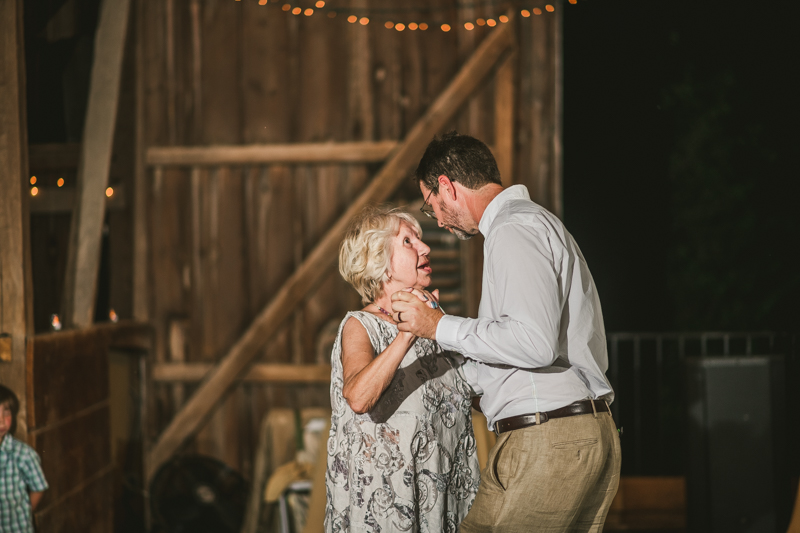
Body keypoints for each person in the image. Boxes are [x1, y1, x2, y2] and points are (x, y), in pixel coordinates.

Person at [391, 132, 621, 532]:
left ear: (447, 185)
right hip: (545, 433)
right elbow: (511, 354)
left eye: (433, 208)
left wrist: (438, 325)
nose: (440, 222)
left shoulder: (514, 228)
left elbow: (534, 344)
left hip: (550, 436)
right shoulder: (528, 226)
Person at [325, 206, 480, 533]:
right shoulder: (360, 325)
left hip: (445, 506)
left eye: (421, 240)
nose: (425, 249)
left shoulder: (433, 327)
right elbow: (357, 397)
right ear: (379, 261)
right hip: (389, 511)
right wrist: (406, 334)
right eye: (409, 241)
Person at [0, 384, 49, 533]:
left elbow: (39, 487)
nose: (1, 421)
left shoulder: (23, 454)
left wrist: (24, 511)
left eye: (6, 412)